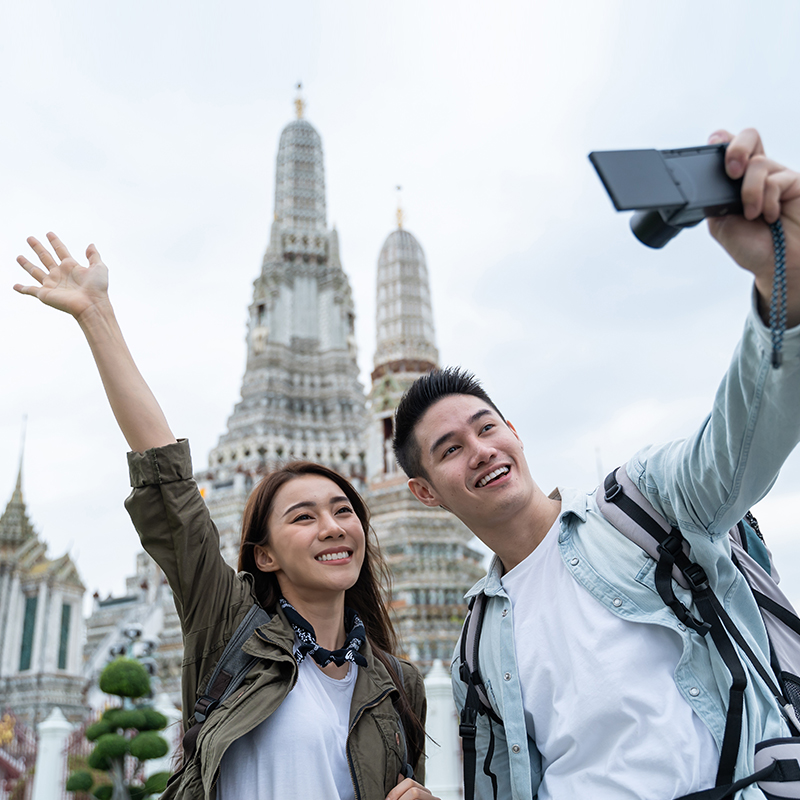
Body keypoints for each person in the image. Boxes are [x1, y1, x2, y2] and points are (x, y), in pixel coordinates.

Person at [391, 127, 800, 800]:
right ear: (425, 492)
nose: (481, 451)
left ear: (514, 431)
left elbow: (741, 441)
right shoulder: (477, 643)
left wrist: (779, 284)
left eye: (486, 427)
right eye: (450, 449)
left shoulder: (644, 505)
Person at [13, 234, 439, 800]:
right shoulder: (230, 632)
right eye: (303, 516)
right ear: (264, 553)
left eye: (343, 510)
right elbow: (169, 485)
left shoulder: (399, 685)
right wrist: (98, 317)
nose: (333, 527)